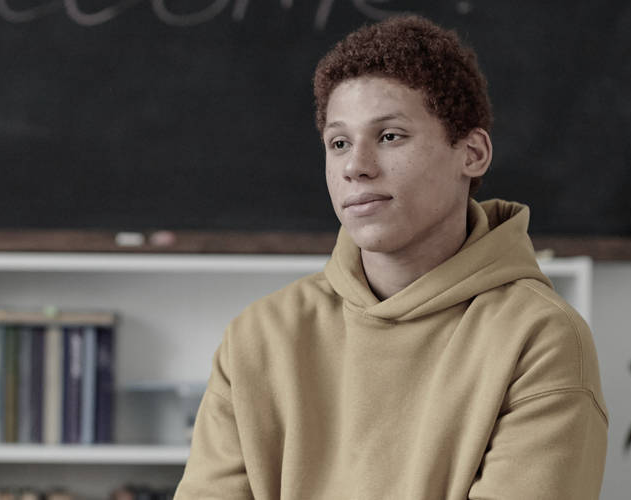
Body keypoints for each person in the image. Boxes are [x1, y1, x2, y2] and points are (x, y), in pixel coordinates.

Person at [174, 15, 607, 500]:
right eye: (339, 143)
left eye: (389, 136)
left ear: (473, 153)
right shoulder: (257, 338)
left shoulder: (540, 338)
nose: (356, 167)